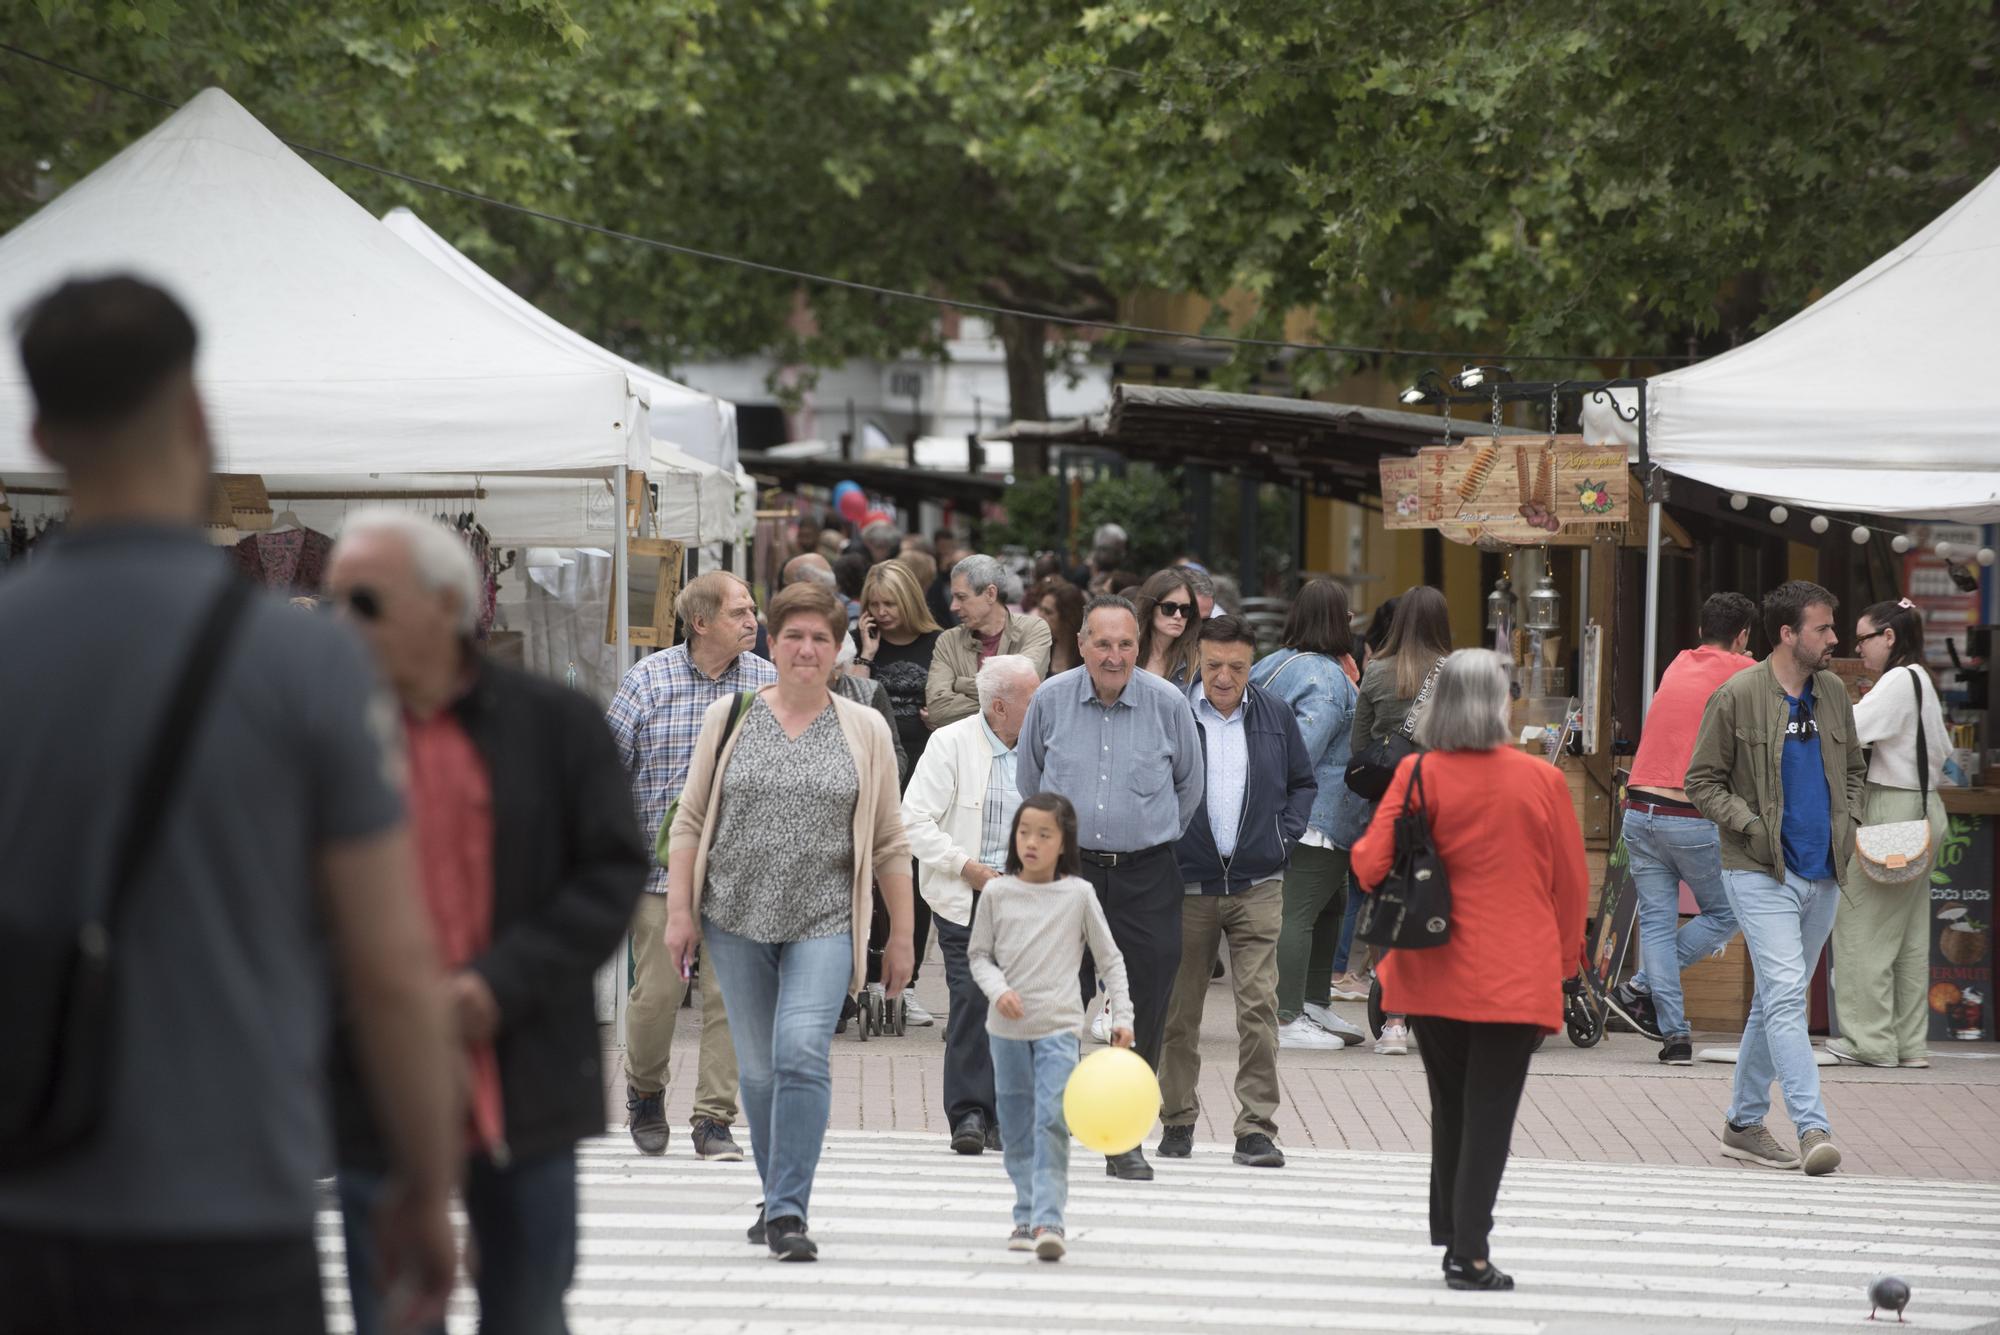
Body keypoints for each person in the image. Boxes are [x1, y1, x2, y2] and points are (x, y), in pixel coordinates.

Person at [0, 276, 458, 1334]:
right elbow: (392, 968)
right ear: (198, 414)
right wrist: (423, 1189)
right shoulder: (306, 667)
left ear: (41, 433)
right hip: (228, 1210)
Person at [324, 512, 647, 1335]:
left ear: (444, 604)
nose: (339, 624)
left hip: (522, 1065)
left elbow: (610, 872)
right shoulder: (323, 733)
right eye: (329, 601)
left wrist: (498, 984)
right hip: (375, 1078)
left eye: (363, 601)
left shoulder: (554, 724)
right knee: (392, 1315)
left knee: (529, 1309)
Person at [664, 581, 915, 1261]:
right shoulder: (730, 715)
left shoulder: (865, 728)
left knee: (802, 1050)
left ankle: (787, 1210)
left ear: (839, 650)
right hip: (734, 916)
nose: (807, 649)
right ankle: (778, 1194)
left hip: (826, 919)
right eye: (794, 635)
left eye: (821, 638)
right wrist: (680, 912)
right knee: (759, 1070)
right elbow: (689, 821)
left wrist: (901, 934)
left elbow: (891, 839)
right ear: (772, 641)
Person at [1350, 650, 1588, 1293]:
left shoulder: (1417, 775)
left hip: (1430, 970)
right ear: (1498, 704)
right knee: (1489, 1114)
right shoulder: (1542, 782)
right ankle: (1470, 1253)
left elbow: (1369, 866)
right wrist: (1565, 971)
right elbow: (1571, 887)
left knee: (1450, 1108)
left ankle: (1455, 1238)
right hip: (1516, 975)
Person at [1017, 594, 1205, 1181]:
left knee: (1144, 1005)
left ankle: (1124, 1138)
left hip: (1147, 874)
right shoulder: (1049, 699)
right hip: (1066, 875)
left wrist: (1146, 832)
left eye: (1126, 644)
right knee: (1052, 1002)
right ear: (1082, 644)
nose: (1116, 655)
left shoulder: (1167, 703)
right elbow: (1031, 781)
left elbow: (1189, 787)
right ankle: (1047, 1126)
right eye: (1103, 643)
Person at [1687, 580, 1864, 1177]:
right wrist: (1751, 826)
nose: (1835, 638)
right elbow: (1701, 781)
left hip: (1824, 872)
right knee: (1788, 995)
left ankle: (1742, 1124)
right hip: (1761, 870)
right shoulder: (1737, 694)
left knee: (1774, 1000)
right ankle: (1813, 1126)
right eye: (1823, 628)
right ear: (1787, 634)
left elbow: (1855, 770)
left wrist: (1852, 820)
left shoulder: (1834, 692)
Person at [607, 572, 775, 1162]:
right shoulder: (647, 680)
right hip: (659, 875)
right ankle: (646, 1092)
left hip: (740, 873)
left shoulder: (768, 682)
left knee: (731, 998)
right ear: (700, 622)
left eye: (753, 610)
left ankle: (713, 1120)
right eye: (738, 612)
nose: (752, 620)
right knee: (656, 994)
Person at [1158, 617, 1317, 1168]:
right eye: (1213, 666)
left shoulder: (1273, 713)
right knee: (1180, 1014)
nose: (1224, 678)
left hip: (1258, 883)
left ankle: (1255, 1129)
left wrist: (1283, 835)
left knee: (1259, 1010)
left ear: (1253, 664)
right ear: (1197, 660)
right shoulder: (1174, 711)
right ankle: (1176, 1120)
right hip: (1187, 885)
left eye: (1237, 667)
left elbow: (1303, 782)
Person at [968, 794, 1136, 1261]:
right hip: (1006, 1032)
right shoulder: (997, 893)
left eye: (1045, 834)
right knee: (1018, 1128)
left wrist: (1123, 1017)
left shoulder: (1078, 895)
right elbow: (978, 955)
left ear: (1064, 843)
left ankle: (1049, 1218)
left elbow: (1111, 960)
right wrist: (998, 989)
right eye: (1025, 833)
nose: (1032, 843)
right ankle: (1024, 1212)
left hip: (1060, 1028)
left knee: (1053, 1121)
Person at [901, 655, 1043, 1154]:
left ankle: (1007, 1113)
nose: (1043, 702)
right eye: (1034, 696)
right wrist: (969, 869)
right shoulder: (950, 743)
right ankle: (968, 1114)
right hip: (969, 894)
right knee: (971, 1000)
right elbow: (914, 821)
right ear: (1001, 706)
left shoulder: (1043, 745)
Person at [1608, 592, 1755, 1064]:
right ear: (1743, 636)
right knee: (1726, 912)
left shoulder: (1677, 663)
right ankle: (1641, 986)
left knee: (1655, 922)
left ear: (1699, 631)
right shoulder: (1743, 673)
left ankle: (1675, 1036)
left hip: (1639, 809)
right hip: (1688, 816)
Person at [1829, 597, 1948, 1069]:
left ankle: (1869, 1041)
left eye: (1863, 638)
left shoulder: (1898, 679)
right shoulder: (1922, 680)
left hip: (1892, 809)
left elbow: (1849, 729)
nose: (1859, 648)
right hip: (1923, 809)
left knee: (1861, 926)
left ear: (1889, 637)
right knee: (1908, 937)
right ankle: (1908, 1043)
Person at [1250, 579, 1367, 1049]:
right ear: (1335, 621)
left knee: (1330, 905)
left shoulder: (1274, 663)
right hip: (1315, 817)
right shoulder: (1328, 679)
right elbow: (1304, 750)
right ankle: (1286, 1015)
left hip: (1294, 815)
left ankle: (1314, 1001)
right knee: (1300, 912)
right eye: (1347, 614)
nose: (1352, 622)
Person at [1340, 585, 1453, 1056]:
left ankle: (1395, 1024)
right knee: (1444, 906)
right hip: (1445, 806)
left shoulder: (1378, 671)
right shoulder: (1458, 674)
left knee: (1392, 908)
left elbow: (1359, 744)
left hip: (1388, 804)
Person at [928, 553, 1054, 728]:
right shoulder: (948, 641)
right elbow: (937, 710)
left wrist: (961, 684)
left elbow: (1021, 692)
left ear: (990, 594)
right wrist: (1002, 704)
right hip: (964, 752)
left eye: (962, 597)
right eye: (953, 597)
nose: (953, 606)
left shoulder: (1033, 630)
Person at [851, 560, 943, 775]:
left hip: (927, 757)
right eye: (874, 604)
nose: (881, 612)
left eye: (890, 604)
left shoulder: (940, 641)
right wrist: (866, 655)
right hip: (872, 755)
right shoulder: (856, 642)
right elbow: (852, 701)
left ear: (909, 601)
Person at [1133, 567, 1203, 686]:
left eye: (1185, 609)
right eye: (1169, 608)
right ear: (1150, 608)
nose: (1178, 615)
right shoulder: (1128, 651)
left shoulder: (1197, 659)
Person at [1031, 576, 1086, 675]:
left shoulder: (1087, 654)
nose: (1040, 616)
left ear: (1068, 617)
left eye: (1048, 612)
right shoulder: (1041, 647)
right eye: (1040, 609)